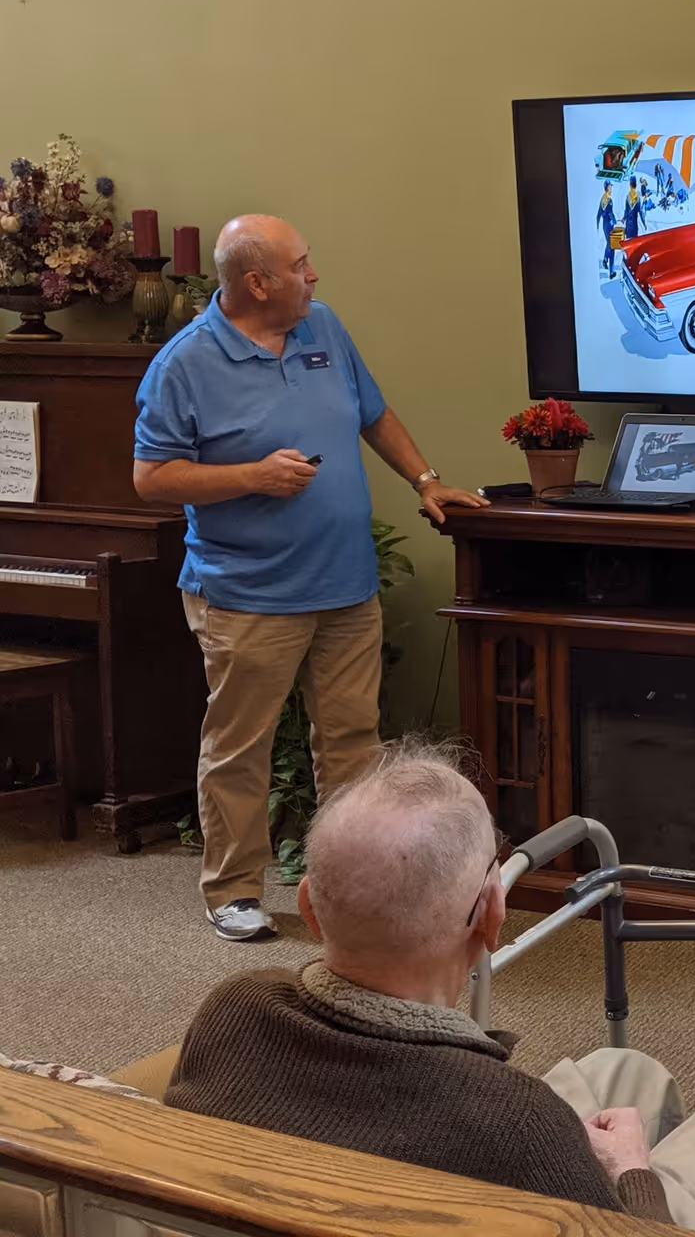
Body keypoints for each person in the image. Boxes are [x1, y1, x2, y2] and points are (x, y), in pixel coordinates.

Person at [163, 742, 695, 1236]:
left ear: (309, 909)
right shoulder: (519, 1127)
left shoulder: (234, 1011)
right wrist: (633, 1172)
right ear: (492, 912)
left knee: (624, 1069)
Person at [132, 216, 486, 942]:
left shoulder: (322, 326)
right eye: (301, 265)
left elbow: (374, 414)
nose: (314, 274)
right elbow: (151, 477)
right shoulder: (185, 363)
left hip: (346, 585)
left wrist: (426, 479)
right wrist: (251, 476)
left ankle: (347, 888)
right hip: (247, 594)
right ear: (257, 282)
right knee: (240, 747)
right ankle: (232, 891)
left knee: (353, 742)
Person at [597, 180, 617, 272]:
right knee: (612, 244)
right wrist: (614, 219)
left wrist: (597, 225)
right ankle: (610, 269)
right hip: (609, 224)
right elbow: (610, 213)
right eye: (610, 187)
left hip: (605, 224)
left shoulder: (602, 198)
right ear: (608, 188)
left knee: (609, 243)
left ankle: (605, 260)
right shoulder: (609, 200)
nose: (611, 189)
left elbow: (599, 214)